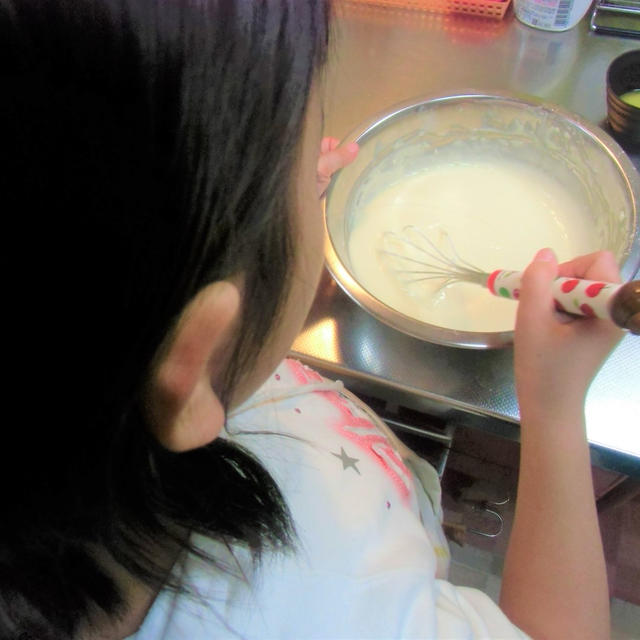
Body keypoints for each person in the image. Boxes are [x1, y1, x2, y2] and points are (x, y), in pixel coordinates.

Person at [0, 1, 622, 639]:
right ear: (198, 356)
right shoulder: (338, 608)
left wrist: (258, 223)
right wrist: (553, 412)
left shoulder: (103, 392)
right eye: (296, 173)